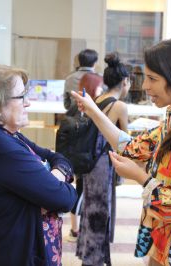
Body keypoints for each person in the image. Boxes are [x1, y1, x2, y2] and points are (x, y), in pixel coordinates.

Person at [72, 40, 171, 265]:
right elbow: (131, 147)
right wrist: (94, 111)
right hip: (164, 239)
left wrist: (140, 177)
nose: (145, 85)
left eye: (152, 79)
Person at [0, 64, 77, 266]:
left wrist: (51, 179)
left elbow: (58, 158)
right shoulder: (0, 148)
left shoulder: (9, 137)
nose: (28, 103)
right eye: (21, 96)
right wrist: (54, 182)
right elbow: (65, 198)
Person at [76, 52, 129, 266]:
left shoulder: (97, 99)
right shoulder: (119, 106)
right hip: (103, 165)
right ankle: (95, 259)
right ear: (125, 82)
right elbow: (126, 141)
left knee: (91, 208)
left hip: (90, 162)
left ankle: (88, 254)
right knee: (101, 211)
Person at [66, 72, 104, 242]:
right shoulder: (89, 108)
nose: (102, 89)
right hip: (86, 158)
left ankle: (76, 228)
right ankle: (74, 230)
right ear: (94, 87)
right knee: (81, 193)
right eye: (100, 86)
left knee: (81, 191)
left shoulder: (76, 106)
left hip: (77, 155)